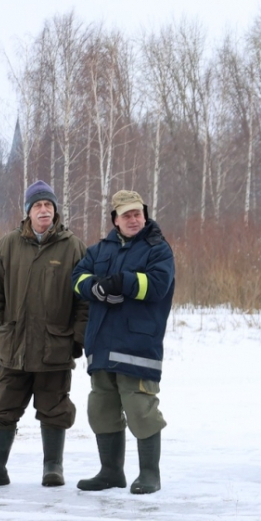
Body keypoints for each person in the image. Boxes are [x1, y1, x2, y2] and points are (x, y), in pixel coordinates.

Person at [0, 182, 88, 489]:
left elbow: (84, 299)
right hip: (14, 347)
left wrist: (76, 339)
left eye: (48, 205)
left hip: (55, 347)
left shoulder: (73, 246)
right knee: (2, 408)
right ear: (28, 212)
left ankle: (53, 468)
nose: (44, 210)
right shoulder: (8, 245)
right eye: (37, 206)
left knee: (55, 408)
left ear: (55, 210)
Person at [71, 191, 175, 495]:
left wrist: (123, 282)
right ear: (115, 220)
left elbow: (157, 286)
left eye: (137, 214)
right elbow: (77, 277)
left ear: (144, 215)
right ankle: (111, 473)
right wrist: (95, 288)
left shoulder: (158, 249)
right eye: (126, 215)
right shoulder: (99, 250)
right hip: (102, 342)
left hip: (137, 344)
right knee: (100, 409)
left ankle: (149, 474)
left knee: (141, 409)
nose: (133, 219)